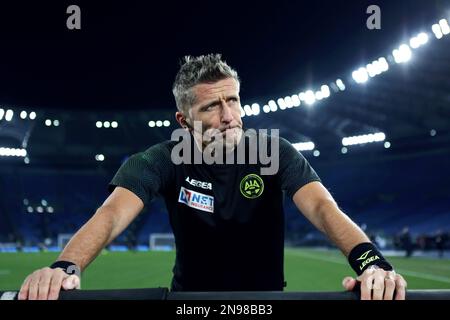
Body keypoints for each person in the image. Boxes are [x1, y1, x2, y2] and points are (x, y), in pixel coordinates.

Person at [19, 54, 407, 300]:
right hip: (191, 305)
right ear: (184, 121)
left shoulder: (273, 151)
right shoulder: (163, 159)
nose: (228, 116)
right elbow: (110, 215)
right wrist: (64, 268)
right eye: (211, 106)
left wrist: (371, 263)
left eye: (233, 100)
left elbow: (323, 207)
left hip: (265, 305)